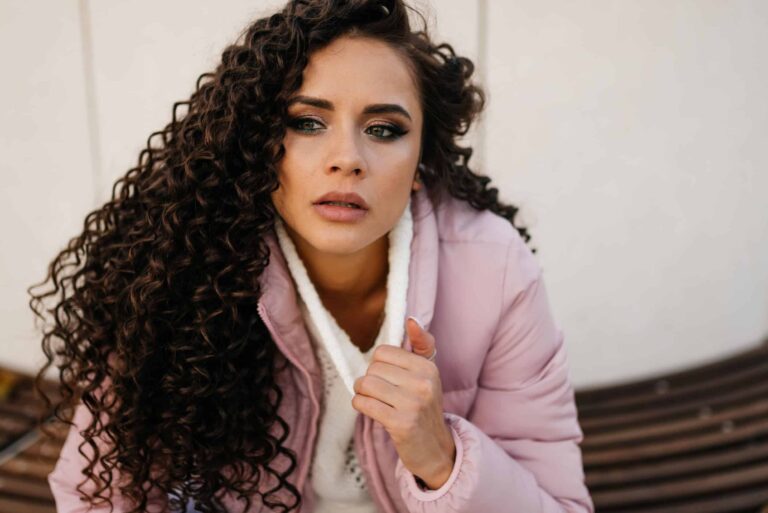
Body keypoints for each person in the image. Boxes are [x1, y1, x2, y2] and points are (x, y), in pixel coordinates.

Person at [29, 0, 593, 512]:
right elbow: (94, 493)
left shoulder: (494, 269)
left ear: (424, 161)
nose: (346, 158)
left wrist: (442, 459)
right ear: (256, 144)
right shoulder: (186, 259)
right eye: (306, 122)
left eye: (383, 128)